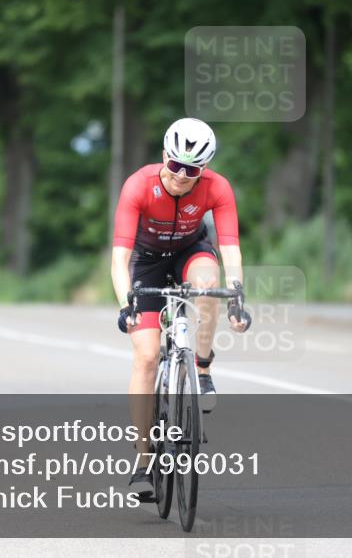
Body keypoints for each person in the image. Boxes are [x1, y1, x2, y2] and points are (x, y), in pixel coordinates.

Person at [111, 117, 251, 500]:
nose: (180, 176)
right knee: (146, 357)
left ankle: (202, 366)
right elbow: (119, 258)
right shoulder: (138, 185)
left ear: (203, 170)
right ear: (164, 157)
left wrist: (237, 296)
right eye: (175, 166)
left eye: (192, 170)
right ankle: (143, 460)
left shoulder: (217, 188)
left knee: (208, 286)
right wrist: (127, 304)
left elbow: (230, 248)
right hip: (147, 260)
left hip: (192, 250)